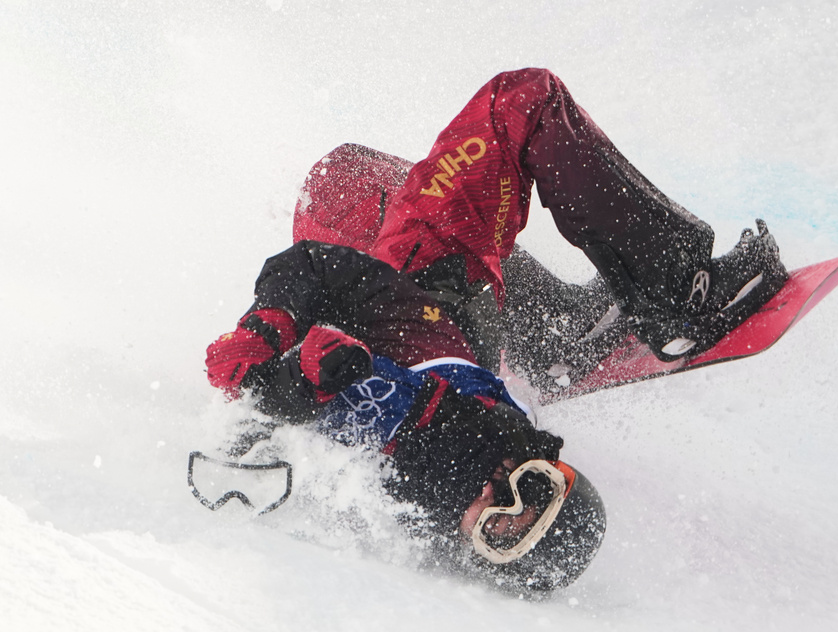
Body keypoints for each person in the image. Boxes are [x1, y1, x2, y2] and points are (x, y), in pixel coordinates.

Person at [203, 68, 787, 593]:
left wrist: (271, 361)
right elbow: (316, 277)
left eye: (498, 527)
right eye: (532, 488)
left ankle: (659, 304)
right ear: (548, 462)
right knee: (360, 185)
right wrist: (270, 336)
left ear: (476, 550)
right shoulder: (472, 433)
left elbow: (307, 296)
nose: (498, 492)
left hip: (417, 291)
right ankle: (632, 301)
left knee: (511, 108)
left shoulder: (382, 495)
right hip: (437, 306)